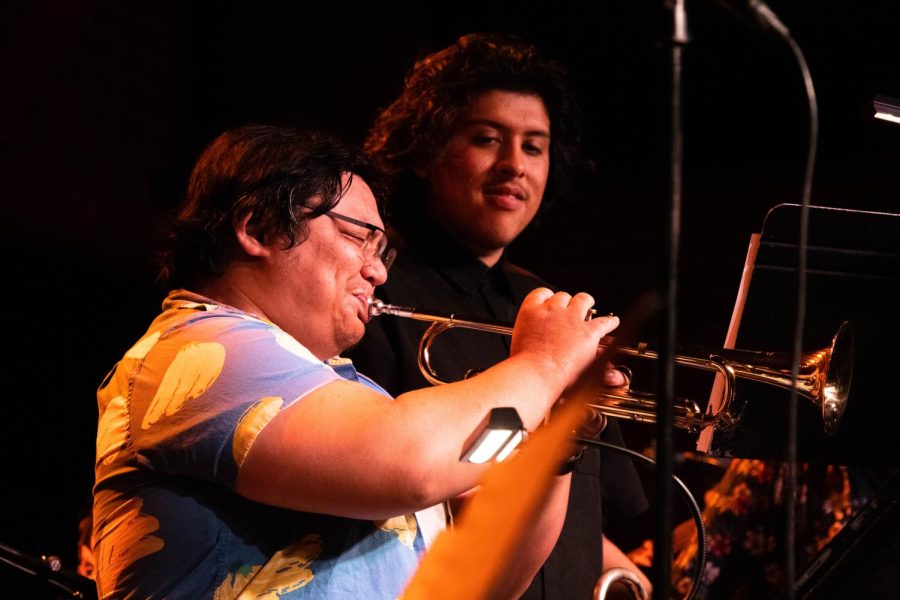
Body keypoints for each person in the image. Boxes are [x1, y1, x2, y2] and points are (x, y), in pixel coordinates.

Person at [91, 124, 624, 599]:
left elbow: (490, 576)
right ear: (256, 229)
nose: (379, 272)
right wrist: (544, 364)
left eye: (382, 250)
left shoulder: (348, 395)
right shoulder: (199, 349)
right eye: (357, 236)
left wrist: (559, 425)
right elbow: (410, 462)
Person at [347, 33, 651, 598]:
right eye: (487, 139)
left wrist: (623, 573)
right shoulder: (373, 289)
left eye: (534, 147)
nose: (514, 165)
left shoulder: (558, 309)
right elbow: (408, 482)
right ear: (423, 151)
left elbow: (590, 512)